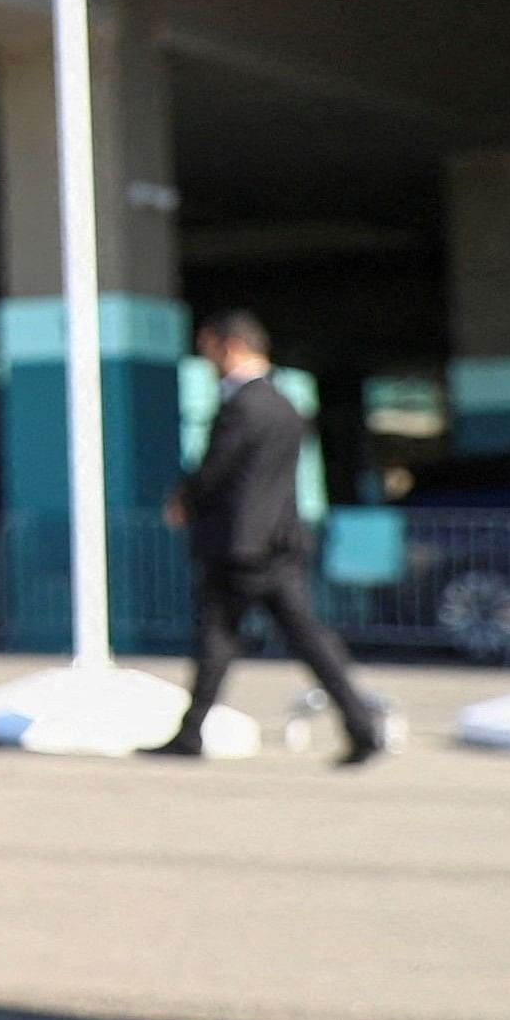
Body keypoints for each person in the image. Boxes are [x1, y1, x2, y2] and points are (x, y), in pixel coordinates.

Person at [147, 311, 387, 764]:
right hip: (278, 543)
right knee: (301, 640)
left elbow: (218, 470)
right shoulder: (285, 405)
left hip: (239, 545)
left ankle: (191, 734)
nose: (207, 359)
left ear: (230, 346)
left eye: (209, 348)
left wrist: (185, 500)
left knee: (220, 639)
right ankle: (360, 726)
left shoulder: (242, 407)